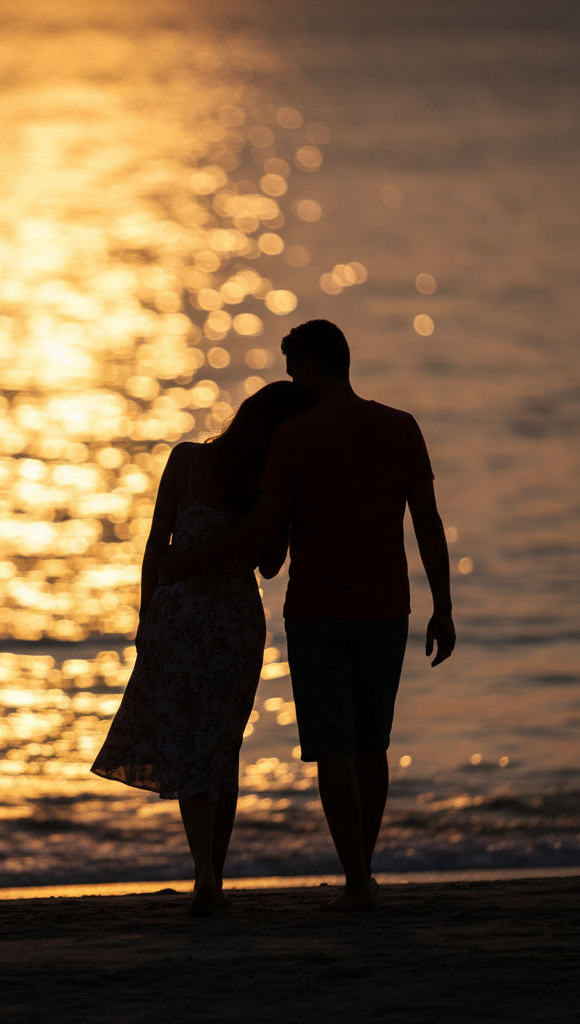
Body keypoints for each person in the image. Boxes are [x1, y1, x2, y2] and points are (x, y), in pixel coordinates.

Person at [160, 319, 456, 912]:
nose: (292, 382)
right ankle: (361, 874)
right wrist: (443, 608)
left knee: (335, 751)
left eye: (295, 371)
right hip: (386, 611)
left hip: (317, 614)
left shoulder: (294, 436)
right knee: (373, 747)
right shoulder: (401, 427)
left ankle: (353, 877)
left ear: (314, 370)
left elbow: (264, 529)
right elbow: (427, 521)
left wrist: (189, 558)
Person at [91, 381, 316, 916]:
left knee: (193, 745)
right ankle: (211, 874)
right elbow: (269, 565)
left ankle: (205, 874)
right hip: (235, 622)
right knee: (221, 750)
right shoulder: (267, 484)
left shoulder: (186, 460)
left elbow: (156, 545)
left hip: (180, 617)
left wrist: (146, 618)